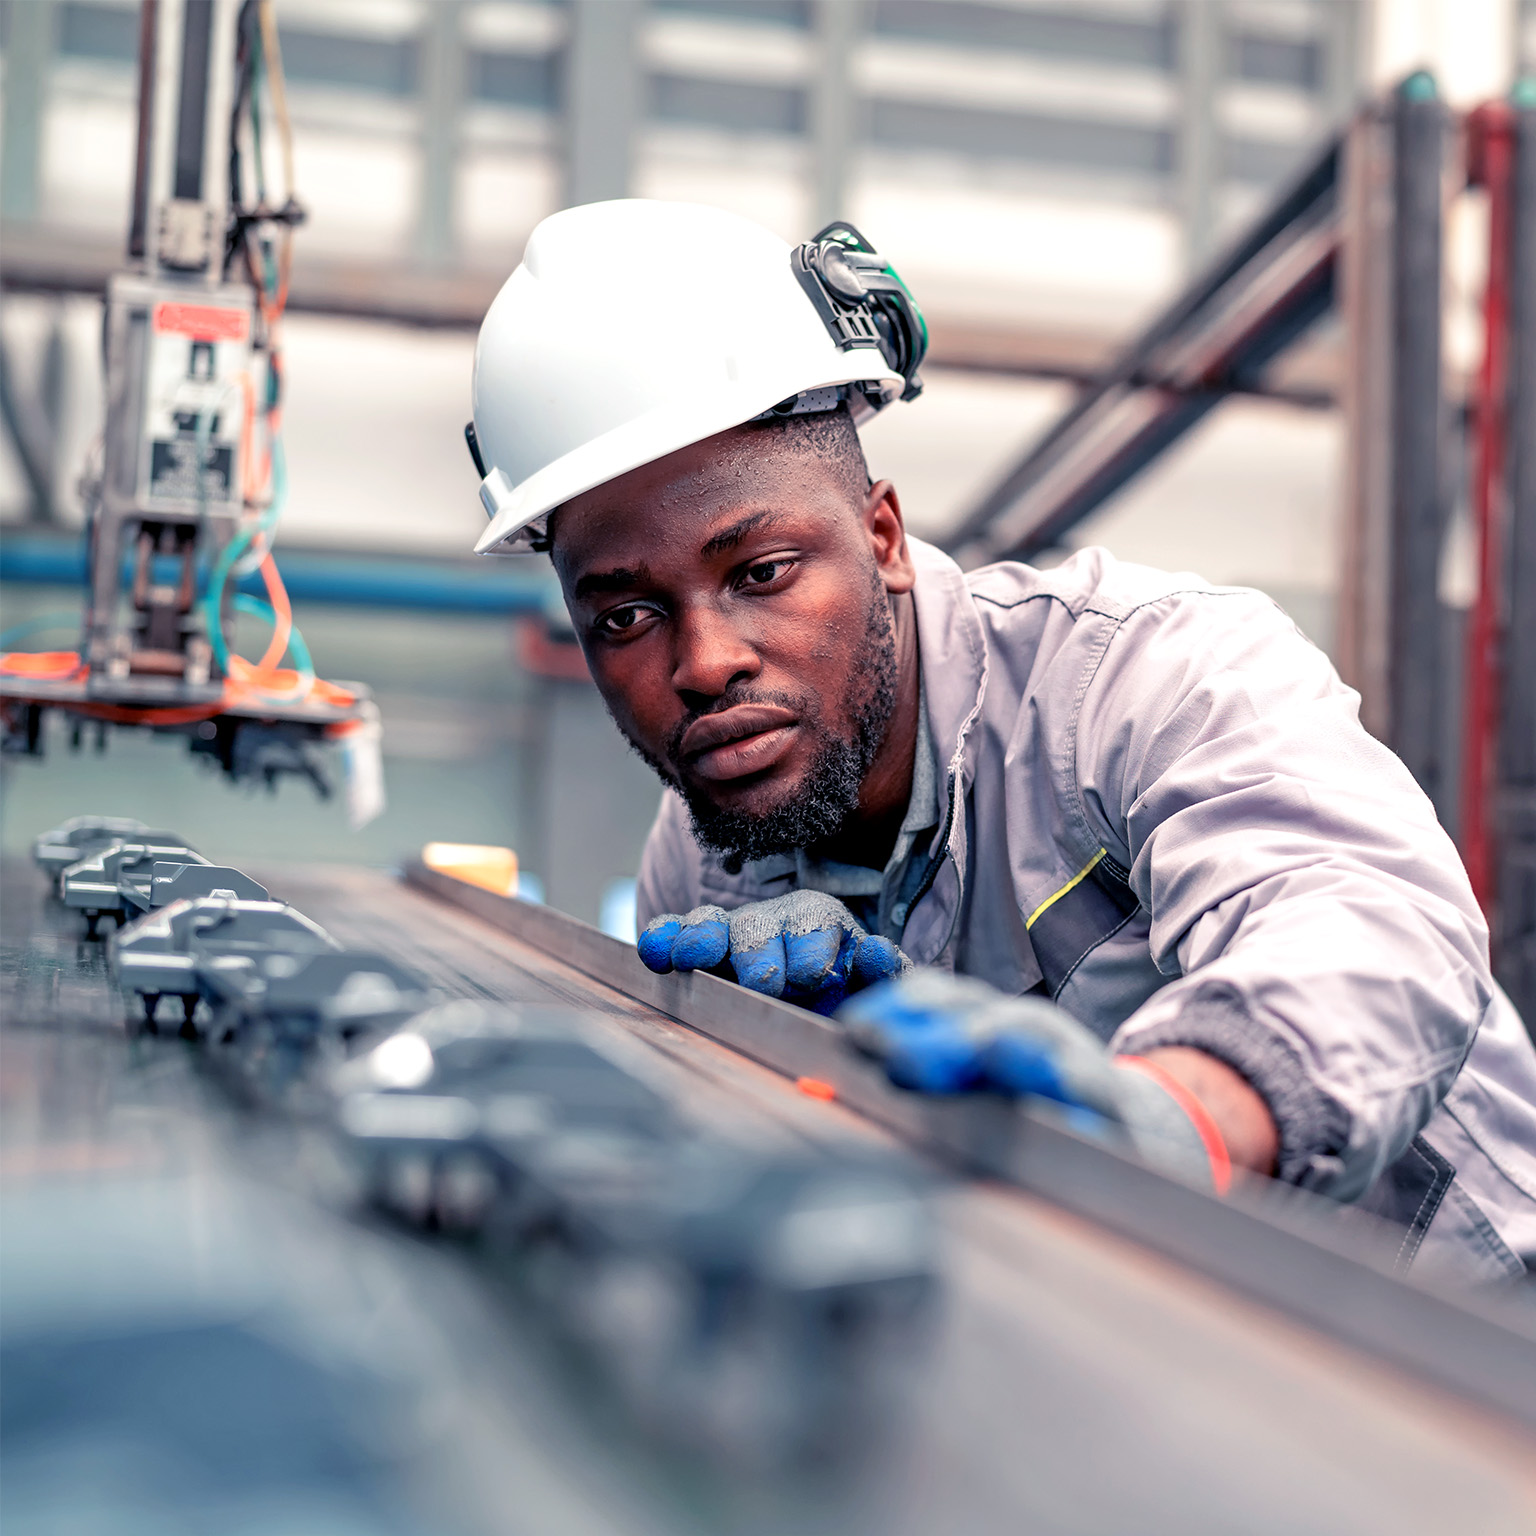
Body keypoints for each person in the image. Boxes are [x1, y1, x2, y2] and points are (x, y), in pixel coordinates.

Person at [466, 199, 1536, 1280]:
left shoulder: (1137, 675)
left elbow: (1367, 921)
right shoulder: (705, 862)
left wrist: (1180, 1116)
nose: (703, 664)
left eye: (762, 572)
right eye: (625, 617)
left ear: (882, 536)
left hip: (1457, 1333)